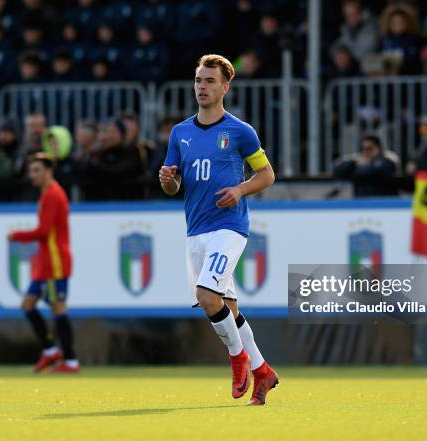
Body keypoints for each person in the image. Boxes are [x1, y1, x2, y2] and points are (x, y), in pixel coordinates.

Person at [159, 54, 279, 405]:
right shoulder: (180, 133)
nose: (202, 87)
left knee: (207, 297)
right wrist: (168, 179)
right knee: (228, 305)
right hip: (195, 230)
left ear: (225, 87)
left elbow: (267, 174)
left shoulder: (240, 132)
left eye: (210, 81)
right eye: (199, 80)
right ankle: (262, 373)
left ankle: (238, 358)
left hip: (230, 227)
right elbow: (172, 187)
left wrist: (241, 189)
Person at [8, 153, 79, 373]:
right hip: (45, 262)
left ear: (49, 171)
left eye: (37, 170)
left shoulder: (53, 195)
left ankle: (70, 360)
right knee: (27, 305)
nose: (32, 175)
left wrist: (16, 235)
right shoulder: (47, 194)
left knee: (58, 309)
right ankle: (50, 351)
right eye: (31, 171)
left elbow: (44, 231)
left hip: (55, 263)